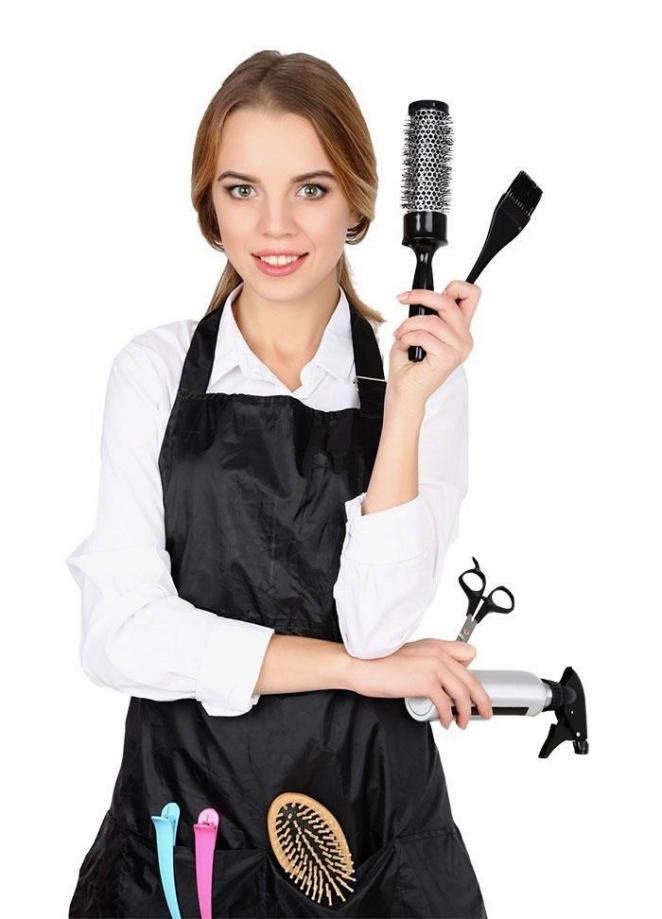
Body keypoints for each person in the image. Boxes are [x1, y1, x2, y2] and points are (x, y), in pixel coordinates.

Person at [66, 49, 492, 918]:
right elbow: (122, 634)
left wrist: (405, 405)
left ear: (357, 203)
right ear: (210, 206)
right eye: (241, 189)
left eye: (309, 189)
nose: (274, 227)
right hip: (187, 816)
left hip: (369, 825)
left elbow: (378, 625)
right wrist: (357, 672)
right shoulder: (153, 373)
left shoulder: (424, 380)